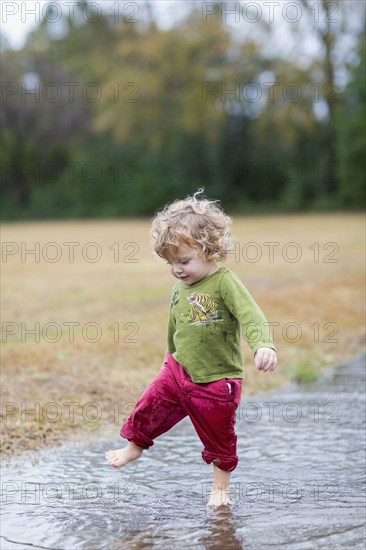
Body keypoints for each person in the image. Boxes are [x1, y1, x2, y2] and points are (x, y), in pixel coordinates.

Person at [105, 189, 277, 507]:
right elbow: (175, 326)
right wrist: (168, 358)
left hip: (216, 380)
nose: (177, 269)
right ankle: (135, 445)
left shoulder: (224, 281)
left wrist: (263, 345)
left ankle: (220, 491)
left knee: (219, 437)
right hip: (178, 368)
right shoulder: (178, 287)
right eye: (170, 263)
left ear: (209, 250)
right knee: (148, 404)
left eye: (184, 261)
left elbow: (251, 315)